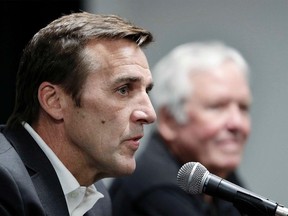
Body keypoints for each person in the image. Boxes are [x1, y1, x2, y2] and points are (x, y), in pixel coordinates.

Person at [0, 11, 156, 216]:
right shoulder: (4, 182)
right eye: (124, 89)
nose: (149, 114)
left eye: (147, 91)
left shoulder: (94, 196)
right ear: (54, 101)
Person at [109, 41, 252, 216]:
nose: (237, 123)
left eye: (243, 108)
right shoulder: (156, 189)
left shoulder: (218, 173)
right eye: (217, 107)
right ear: (169, 120)